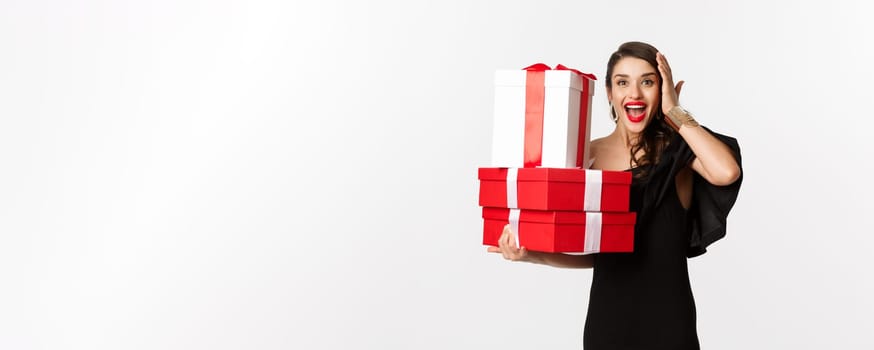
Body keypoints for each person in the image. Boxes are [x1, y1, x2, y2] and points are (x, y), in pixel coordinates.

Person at [487, 41, 743, 349]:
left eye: (647, 82)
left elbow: (726, 171)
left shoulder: (680, 152)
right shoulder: (587, 156)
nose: (634, 94)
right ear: (609, 92)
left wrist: (675, 112)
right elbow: (596, 254)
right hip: (608, 325)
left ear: (662, 91)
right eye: (623, 82)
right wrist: (531, 255)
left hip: (670, 326)